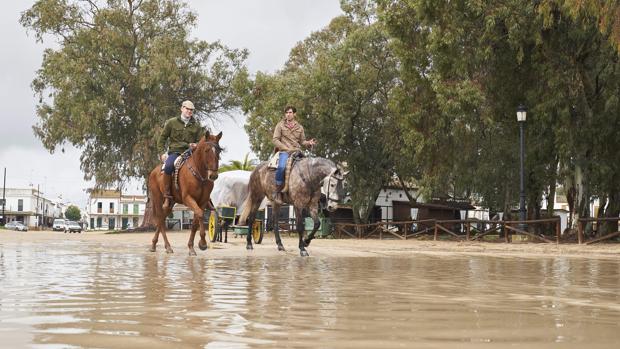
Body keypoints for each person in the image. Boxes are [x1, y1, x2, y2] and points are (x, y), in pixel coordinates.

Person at [157, 100, 203, 209]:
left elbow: (200, 142)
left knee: (203, 169)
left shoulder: (196, 126)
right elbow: (162, 139)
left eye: (191, 110)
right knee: (168, 166)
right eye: (187, 109)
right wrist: (162, 153)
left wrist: (195, 145)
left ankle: (207, 198)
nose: (189, 111)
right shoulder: (171, 122)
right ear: (181, 108)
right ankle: (167, 196)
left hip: (191, 154)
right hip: (175, 152)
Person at [272, 106, 317, 204]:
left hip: (297, 152)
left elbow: (302, 141)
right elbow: (275, 140)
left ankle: (308, 191)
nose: (288, 114)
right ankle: (277, 191)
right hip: (284, 152)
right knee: (282, 167)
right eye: (286, 112)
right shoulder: (280, 125)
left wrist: (309, 143)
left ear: (294, 114)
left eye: (290, 112)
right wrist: (285, 148)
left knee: (308, 168)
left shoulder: (300, 127)